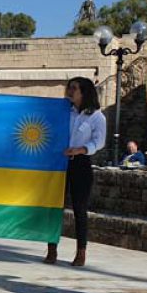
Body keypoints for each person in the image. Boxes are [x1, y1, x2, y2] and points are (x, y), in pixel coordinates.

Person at [45, 76, 105, 267]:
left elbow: (99, 141)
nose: (70, 91)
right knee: (55, 207)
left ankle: (81, 251)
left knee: (80, 208)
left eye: (74, 88)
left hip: (80, 163)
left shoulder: (96, 116)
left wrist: (81, 149)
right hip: (60, 163)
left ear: (84, 92)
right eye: (69, 88)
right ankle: (51, 249)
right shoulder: (63, 112)